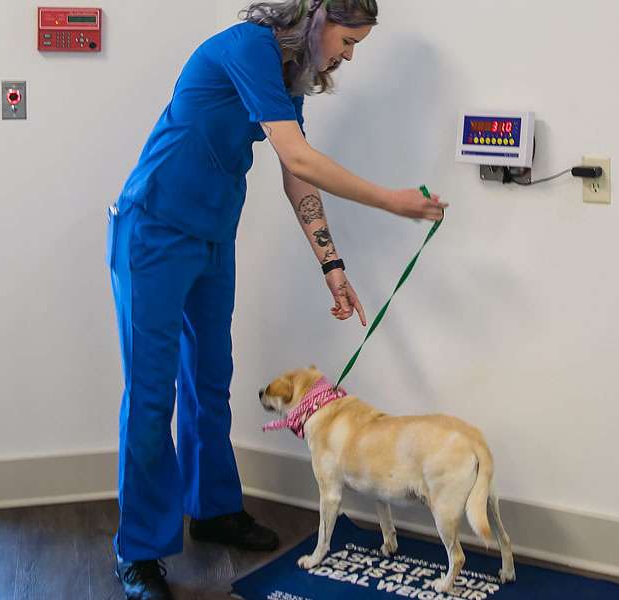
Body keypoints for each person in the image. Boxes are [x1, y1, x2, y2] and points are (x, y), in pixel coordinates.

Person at [107, 1, 446, 598]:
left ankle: (212, 509)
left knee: (210, 380)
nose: (347, 55)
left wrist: (332, 266)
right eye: (348, 39)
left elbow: (298, 178)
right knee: (153, 393)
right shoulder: (246, 48)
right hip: (154, 230)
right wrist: (392, 202)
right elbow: (296, 157)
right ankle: (139, 550)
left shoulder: (287, 77)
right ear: (316, 15)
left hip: (211, 236)